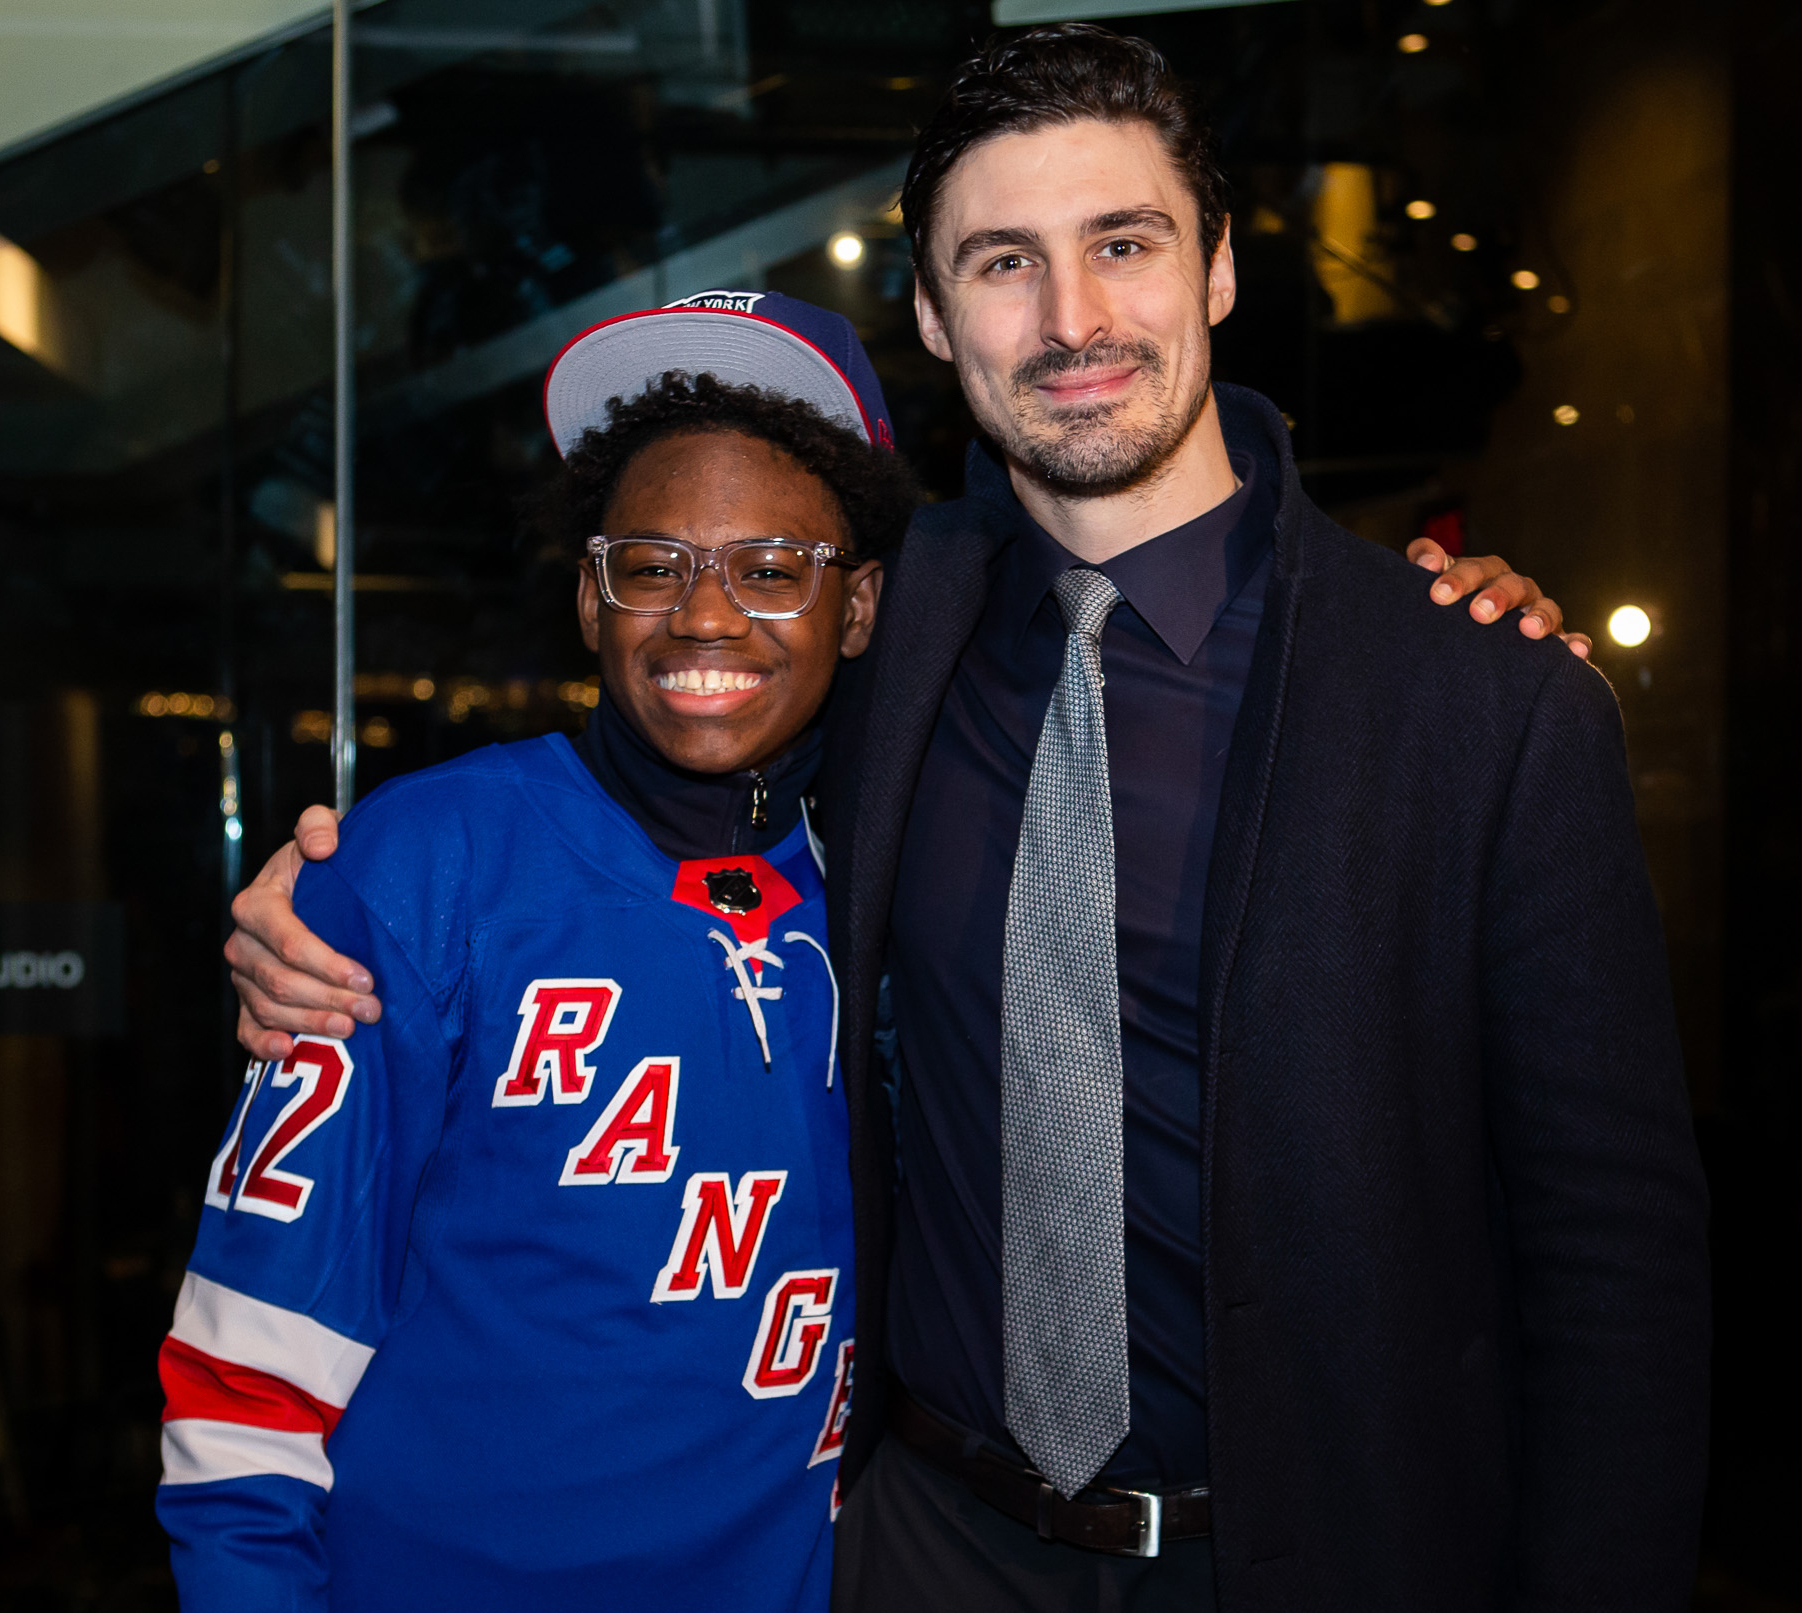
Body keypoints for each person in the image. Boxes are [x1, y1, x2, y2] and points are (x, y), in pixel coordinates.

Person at [220, 27, 1704, 1613]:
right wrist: (327, 911)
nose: (1070, 321)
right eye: (1003, 262)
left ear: (1212, 269)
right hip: (926, 1541)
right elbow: (645, 744)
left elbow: (1611, 1251)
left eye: (1120, 245)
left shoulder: (1477, 697)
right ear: (932, 314)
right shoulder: (875, 630)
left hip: (1329, 1554)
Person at [155, 294, 915, 1610]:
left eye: (773, 565)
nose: (707, 617)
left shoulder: (905, 880)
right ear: (587, 595)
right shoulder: (421, 867)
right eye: (653, 562)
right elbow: (248, 1374)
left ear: (855, 609)